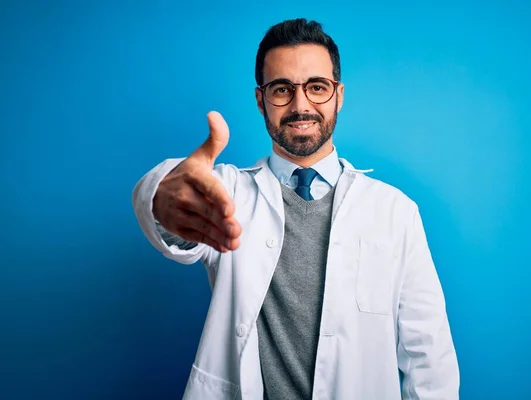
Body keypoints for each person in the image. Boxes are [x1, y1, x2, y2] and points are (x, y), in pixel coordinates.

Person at [132, 18, 459, 400]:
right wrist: (160, 196)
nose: (300, 105)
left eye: (317, 87)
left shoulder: (394, 211)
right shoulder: (227, 193)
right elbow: (171, 216)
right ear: (261, 100)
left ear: (338, 95)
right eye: (282, 89)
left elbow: (428, 355)